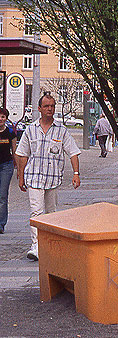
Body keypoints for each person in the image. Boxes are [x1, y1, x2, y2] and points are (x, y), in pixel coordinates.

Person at [14, 94, 81, 261]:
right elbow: (22, 154)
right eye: (46, 106)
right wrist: (21, 177)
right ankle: (36, 246)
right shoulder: (31, 130)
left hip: (53, 178)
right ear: (39, 109)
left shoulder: (61, 130)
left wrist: (76, 173)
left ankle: (51, 243)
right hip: (34, 177)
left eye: (52, 106)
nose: (50, 109)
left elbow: (73, 152)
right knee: (37, 211)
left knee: (51, 212)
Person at [0, 107, 17, 234]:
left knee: (2, 195)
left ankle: (1, 224)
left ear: (6, 118)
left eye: (3, 117)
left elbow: (14, 150)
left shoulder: (10, 133)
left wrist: (18, 166)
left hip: (6, 165)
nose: (0, 119)